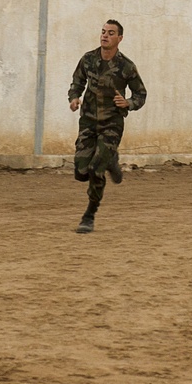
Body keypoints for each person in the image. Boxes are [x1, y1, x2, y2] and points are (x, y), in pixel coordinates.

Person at [68, 20, 147, 234]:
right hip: (88, 122)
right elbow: (77, 82)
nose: (105, 36)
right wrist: (74, 98)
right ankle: (111, 160)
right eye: (103, 32)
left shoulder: (126, 66)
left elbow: (141, 94)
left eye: (111, 33)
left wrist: (128, 103)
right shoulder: (88, 59)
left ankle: (89, 214)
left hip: (111, 124)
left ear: (119, 39)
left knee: (95, 170)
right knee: (81, 171)